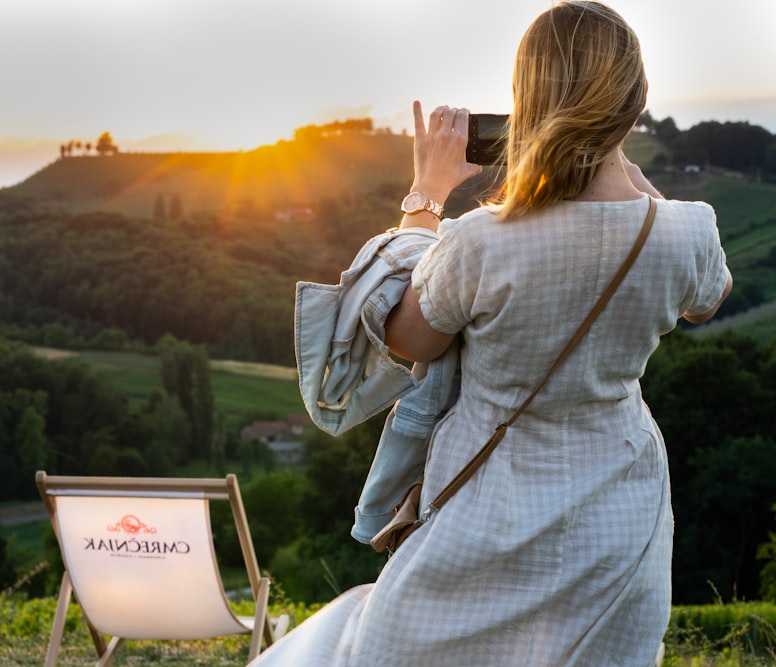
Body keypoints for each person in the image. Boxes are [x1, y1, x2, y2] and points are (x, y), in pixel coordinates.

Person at [255, 1, 733, 666]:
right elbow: (707, 302)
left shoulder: (481, 241)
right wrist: (632, 178)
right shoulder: (687, 231)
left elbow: (408, 341)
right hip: (621, 502)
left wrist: (424, 196)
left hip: (491, 502)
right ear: (640, 97)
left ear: (524, 103)